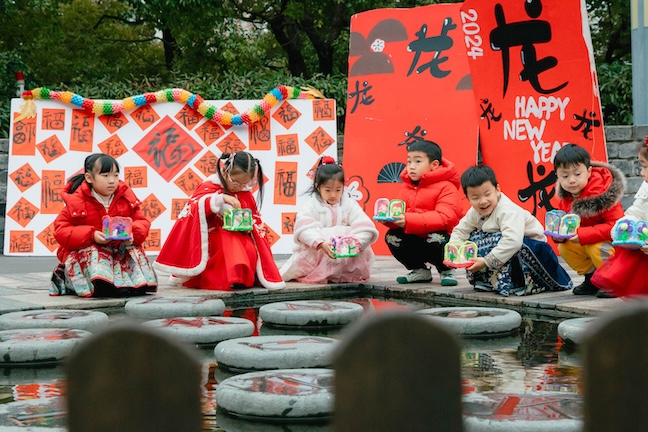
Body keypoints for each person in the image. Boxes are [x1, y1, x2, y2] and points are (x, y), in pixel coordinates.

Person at [154, 151, 285, 291]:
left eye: (245, 183)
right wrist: (219, 199)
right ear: (224, 171)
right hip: (213, 237)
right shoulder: (209, 188)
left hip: (240, 235)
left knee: (249, 247)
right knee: (227, 242)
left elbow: (255, 220)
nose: (240, 187)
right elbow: (194, 207)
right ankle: (230, 279)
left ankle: (242, 279)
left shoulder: (245, 194)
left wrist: (247, 225)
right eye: (235, 182)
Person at [450, 164, 572, 296]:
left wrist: (486, 262)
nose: (483, 201)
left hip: (535, 251)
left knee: (499, 240)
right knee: (472, 240)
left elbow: (513, 241)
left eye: (487, 194)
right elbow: (460, 231)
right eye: (475, 198)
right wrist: (455, 252)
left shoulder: (508, 210)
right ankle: (489, 281)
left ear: (497, 190)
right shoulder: (474, 212)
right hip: (509, 249)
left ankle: (517, 281)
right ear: (467, 199)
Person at [51, 153, 157, 297]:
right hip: (88, 256)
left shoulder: (126, 198)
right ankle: (101, 285)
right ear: (89, 178)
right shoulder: (77, 201)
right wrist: (91, 235)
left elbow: (142, 221)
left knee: (133, 249)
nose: (112, 181)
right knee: (94, 250)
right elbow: (61, 230)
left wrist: (132, 234)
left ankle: (136, 284)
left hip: (117, 250)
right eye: (105, 176)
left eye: (115, 175)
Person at [280, 156, 379, 284]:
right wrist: (321, 243)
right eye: (328, 190)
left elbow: (365, 226)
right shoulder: (312, 205)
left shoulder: (349, 204)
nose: (333, 195)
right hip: (321, 250)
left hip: (346, 251)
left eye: (338, 190)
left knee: (360, 243)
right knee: (313, 243)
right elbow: (304, 228)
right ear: (318, 186)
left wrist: (355, 242)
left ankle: (345, 274)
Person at [378, 140, 463, 286]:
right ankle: (419, 270)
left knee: (436, 237)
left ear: (434, 165)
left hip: (441, 239)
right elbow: (400, 214)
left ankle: (447, 270)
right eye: (409, 161)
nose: (411, 167)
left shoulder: (447, 187)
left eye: (417, 161)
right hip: (416, 237)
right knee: (392, 236)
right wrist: (389, 220)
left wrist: (408, 220)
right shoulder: (406, 187)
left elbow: (445, 218)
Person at [552, 143, 625, 296]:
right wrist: (559, 235)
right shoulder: (566, 198)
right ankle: (592, 279)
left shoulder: (603, 194)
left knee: (595, 247)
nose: (571, 180)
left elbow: (617, 226)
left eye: (577, 174)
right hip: (586, 241)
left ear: (589, 171)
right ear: (557, 176)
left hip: (614, 247)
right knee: (565, 248)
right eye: (565, 176)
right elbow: (565, 225)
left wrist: (584, 234)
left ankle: (615, 281)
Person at [592, 138, 648, 297]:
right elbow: (636, 211)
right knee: (628, 249)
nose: (641, 172)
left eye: (644, 166)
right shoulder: (646, 187)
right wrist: (627, 224)